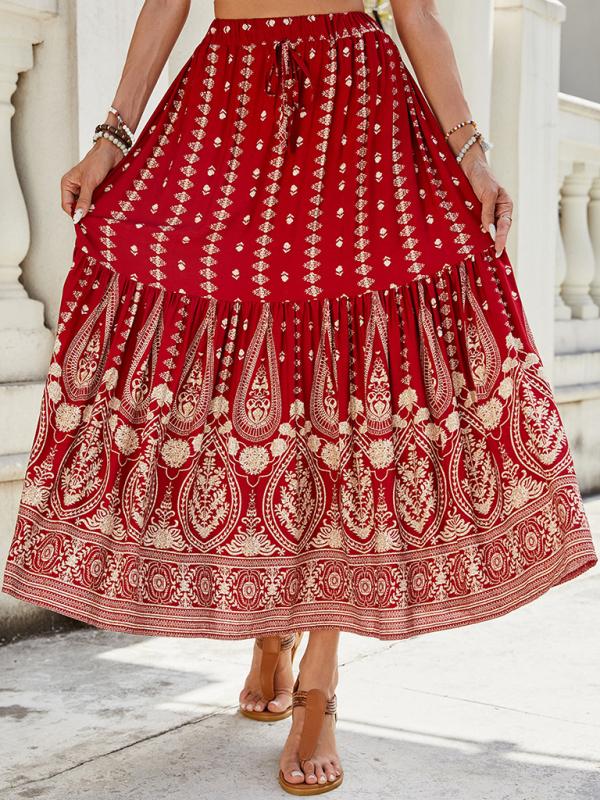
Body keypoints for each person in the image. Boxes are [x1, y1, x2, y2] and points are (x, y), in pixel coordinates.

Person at [2, 0, 597, 794]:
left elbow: (416, 13)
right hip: (229, 99)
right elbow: (166, 3)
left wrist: (472, 158)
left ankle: (320, 673)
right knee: (244, 377)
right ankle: (271, 626)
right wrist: (113, 138)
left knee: (348, 394)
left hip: (360, 111)